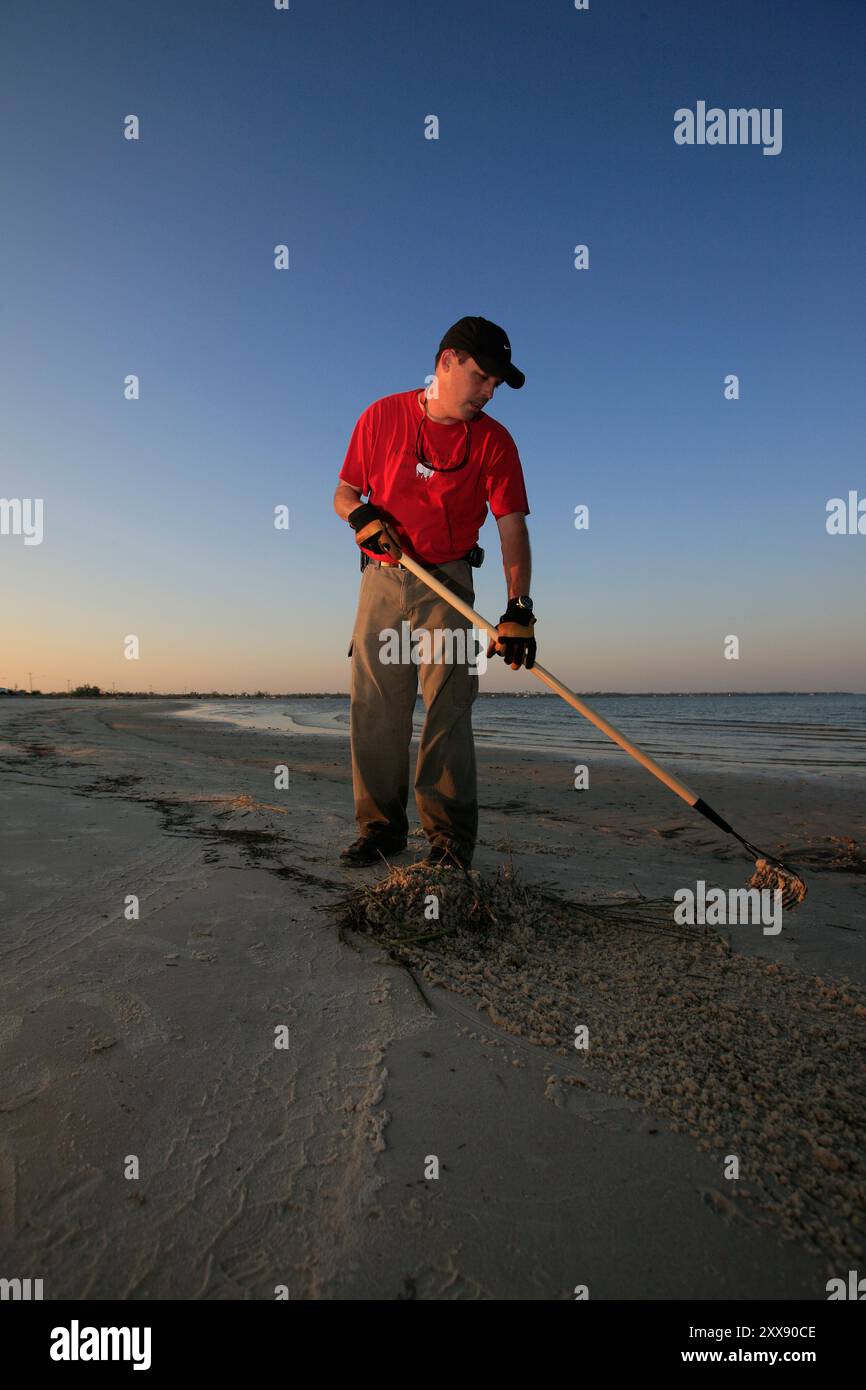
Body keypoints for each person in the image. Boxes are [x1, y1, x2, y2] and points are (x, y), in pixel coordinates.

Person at [332, 316, 536, 869]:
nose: (489, 391)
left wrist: (518, 607)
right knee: (376, 708)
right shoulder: (380, 417)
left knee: (448, 708)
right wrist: (362, 515)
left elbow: (511, 525)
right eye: (482, 377)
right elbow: (345, 493)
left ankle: (447, 844)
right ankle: (380, 830)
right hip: (381, 577)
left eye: (496, 383)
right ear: (446, 362)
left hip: (447, 583)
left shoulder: (495, 442)